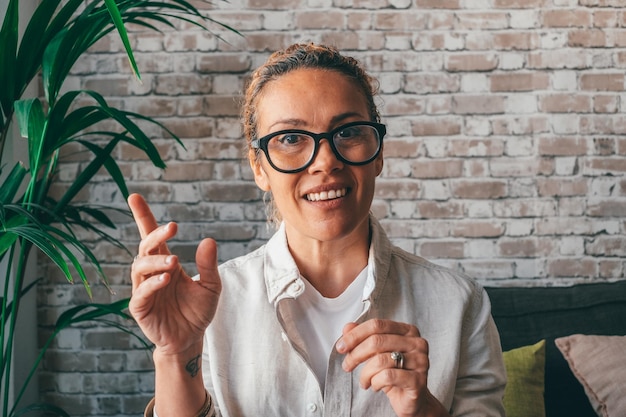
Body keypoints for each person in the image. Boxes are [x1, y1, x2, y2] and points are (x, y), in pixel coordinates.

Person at [129, 42, 506, 417]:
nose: (325, 161)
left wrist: (423, 408)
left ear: (378, 152)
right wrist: (176, 354)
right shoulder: (214, 306)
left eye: (348, 133)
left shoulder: (460, 304)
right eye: (290, 138)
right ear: (259, 168)